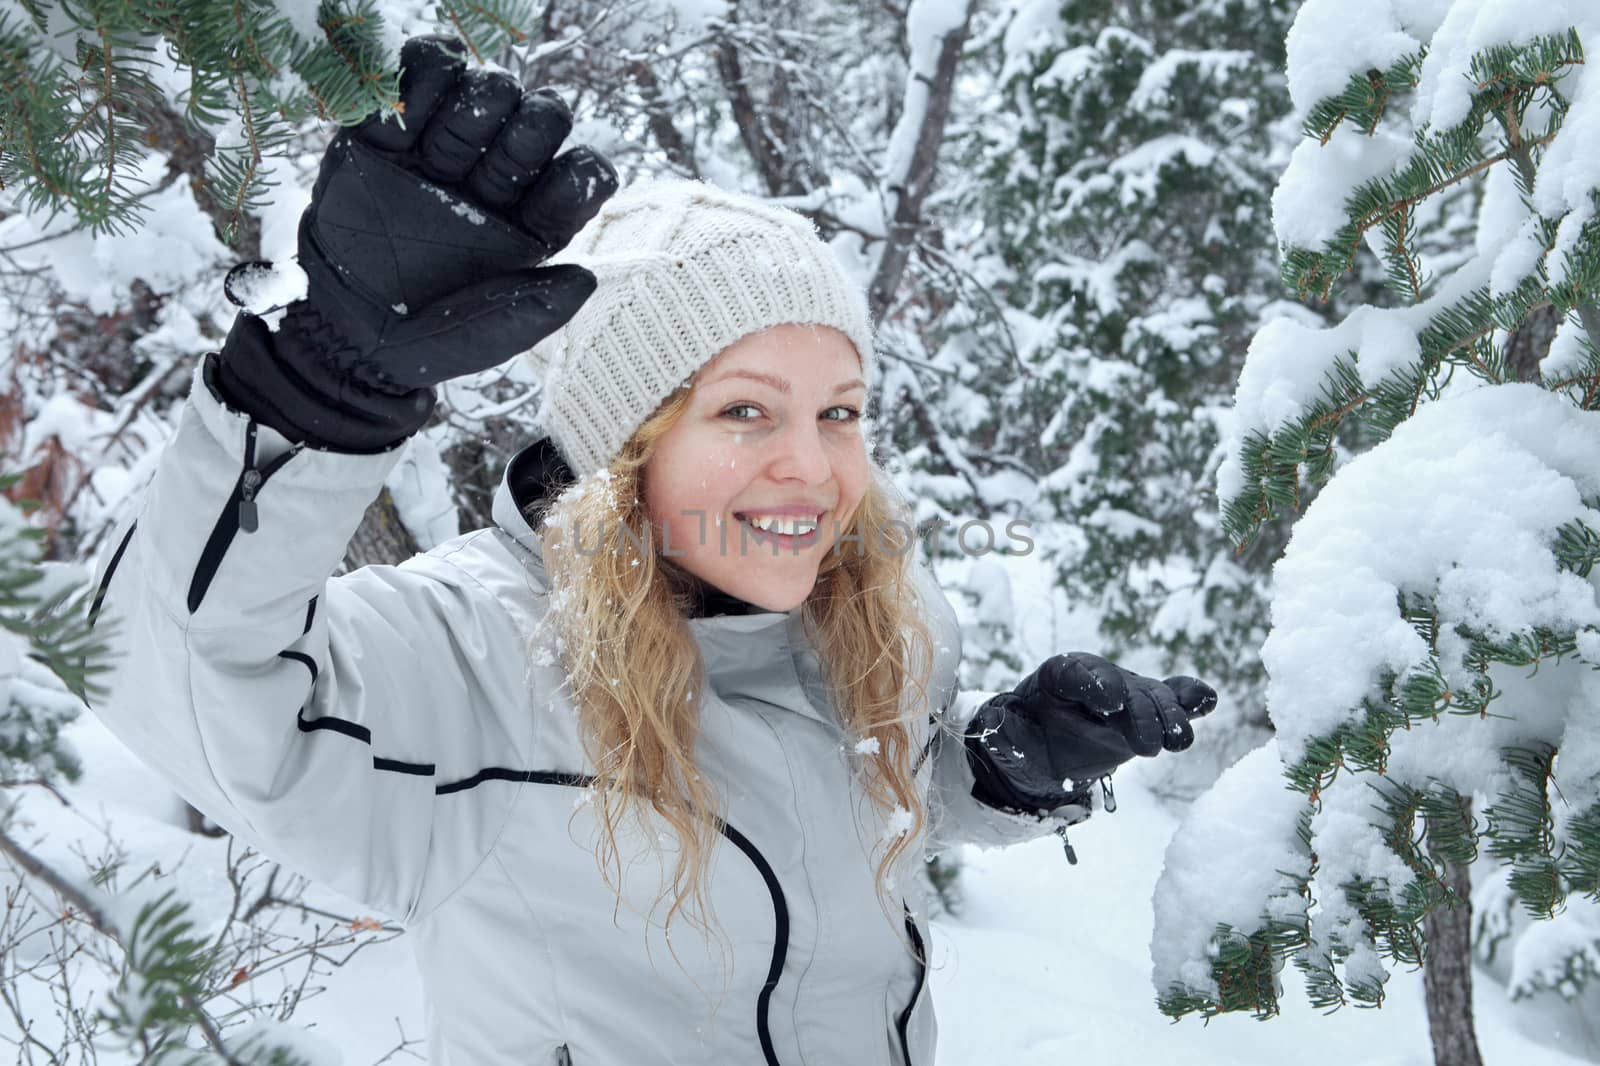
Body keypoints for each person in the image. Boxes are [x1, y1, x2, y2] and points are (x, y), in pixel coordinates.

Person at [86, 35, 1217, 1066]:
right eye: (743, 412)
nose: (815, 469)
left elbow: (863, 811)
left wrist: (995, 773)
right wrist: (318, 383)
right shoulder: (479, 660)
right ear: (620, 445)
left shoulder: (883, 610)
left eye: (840, 411)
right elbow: (164, 673)